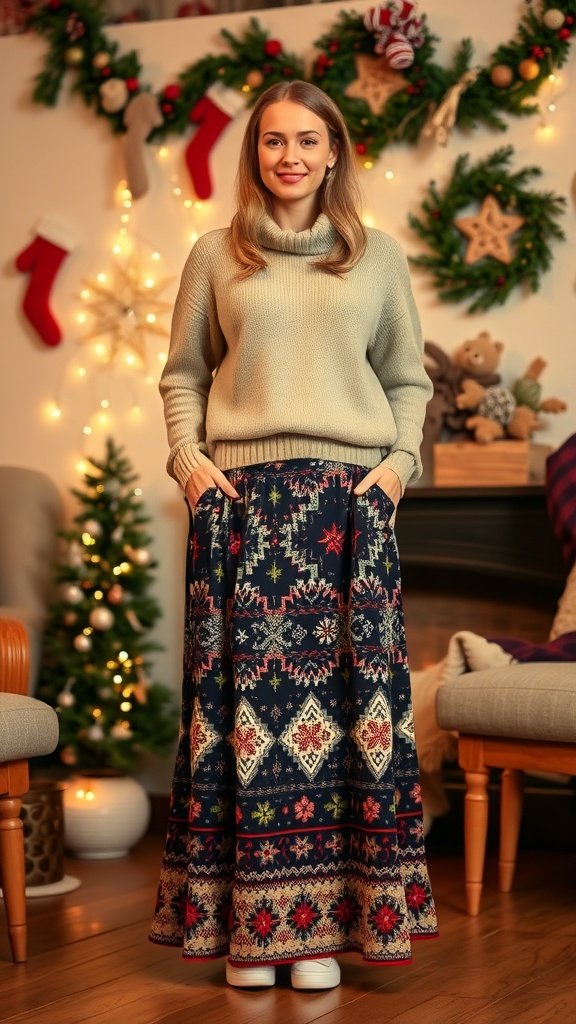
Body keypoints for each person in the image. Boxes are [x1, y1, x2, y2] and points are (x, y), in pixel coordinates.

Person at [150, 79, 437, 991]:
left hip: (352, 511)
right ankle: (249, 925)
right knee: (243, 720)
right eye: (274, 141)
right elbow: (183, 375)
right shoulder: (213, 255)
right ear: (256, 152)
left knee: (348, 720)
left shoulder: (378, 257)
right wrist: (190, 468)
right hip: (241, 513)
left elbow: (410, 383)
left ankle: (323, 932)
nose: (290, 157)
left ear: (334, 151)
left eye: (308, 140)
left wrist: (395, 473)